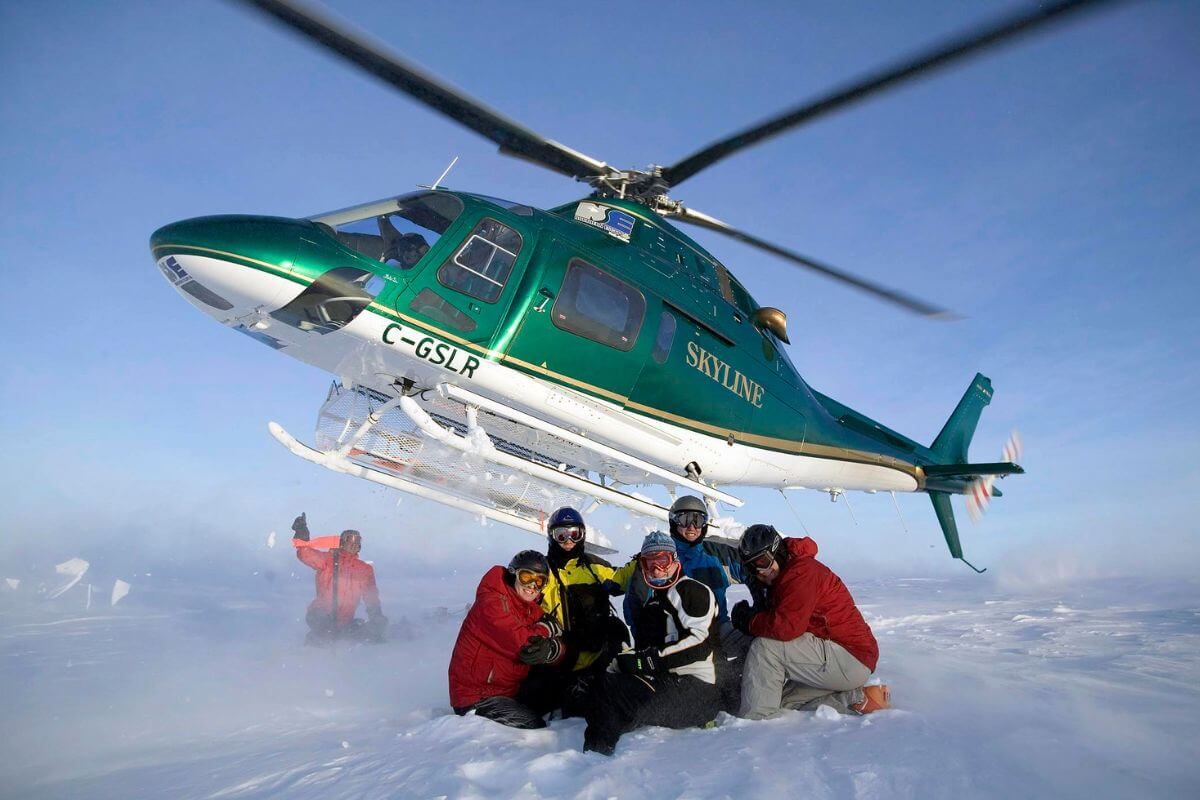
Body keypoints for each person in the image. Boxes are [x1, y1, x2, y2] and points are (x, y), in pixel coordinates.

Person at [581, 532, 720, 756]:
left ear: (674, 561)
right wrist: (623, 662)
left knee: (607, 690)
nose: (656, 568)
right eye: (649, 562)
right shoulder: (654, 603)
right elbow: (647, 651)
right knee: (598, 681)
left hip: (696, 691)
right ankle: (612, 730)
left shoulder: (691, 591)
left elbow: (700, 643)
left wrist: (645, 662)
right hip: (669, 683)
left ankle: (596, 754)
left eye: (662, 560)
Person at [731, 524, 889, 718]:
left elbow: (786, 628)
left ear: (778, 551)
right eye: (751, 567)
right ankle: (856, 699)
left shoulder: (801, 573)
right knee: (778, 700)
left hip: (850, 656)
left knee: (765, 648)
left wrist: (750, 621)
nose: (760, 571)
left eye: (763, 562)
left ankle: (755, 725)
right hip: (844, 660)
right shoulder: (783, 576)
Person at [448, 550, 567, 729]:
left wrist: (554, 648)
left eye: (539, 581)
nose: (532, 585)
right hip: (478, 698)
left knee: (561, 692)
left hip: (508, 691)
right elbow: (525, 644)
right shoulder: (492, 602)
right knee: (534, 725)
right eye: (527, 577)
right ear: (513, 574)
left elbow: (556, 642)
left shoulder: (530, 609)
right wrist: (545, 630)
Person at [538, 507, 637, 711]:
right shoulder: (542, 571)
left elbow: (623, 579)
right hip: (559, 656)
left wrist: (647, 559)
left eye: (574, 534)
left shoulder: (594, 567)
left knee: (615, 628)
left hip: (595, 654)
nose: (568, 540)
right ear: (551, 536)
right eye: (561, 535)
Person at [291, 513, 388, 644]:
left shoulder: (364, 569)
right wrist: (301, 534)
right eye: (350, 540)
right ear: (341, 543)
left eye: (357, 541)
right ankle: (313, 650)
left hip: (345, 620)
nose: (354, 544)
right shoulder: (329, 560)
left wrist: (376, 615)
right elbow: (305, 554)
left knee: (367, 637)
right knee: (326, 636)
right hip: (320, 614)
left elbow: (370, 595)